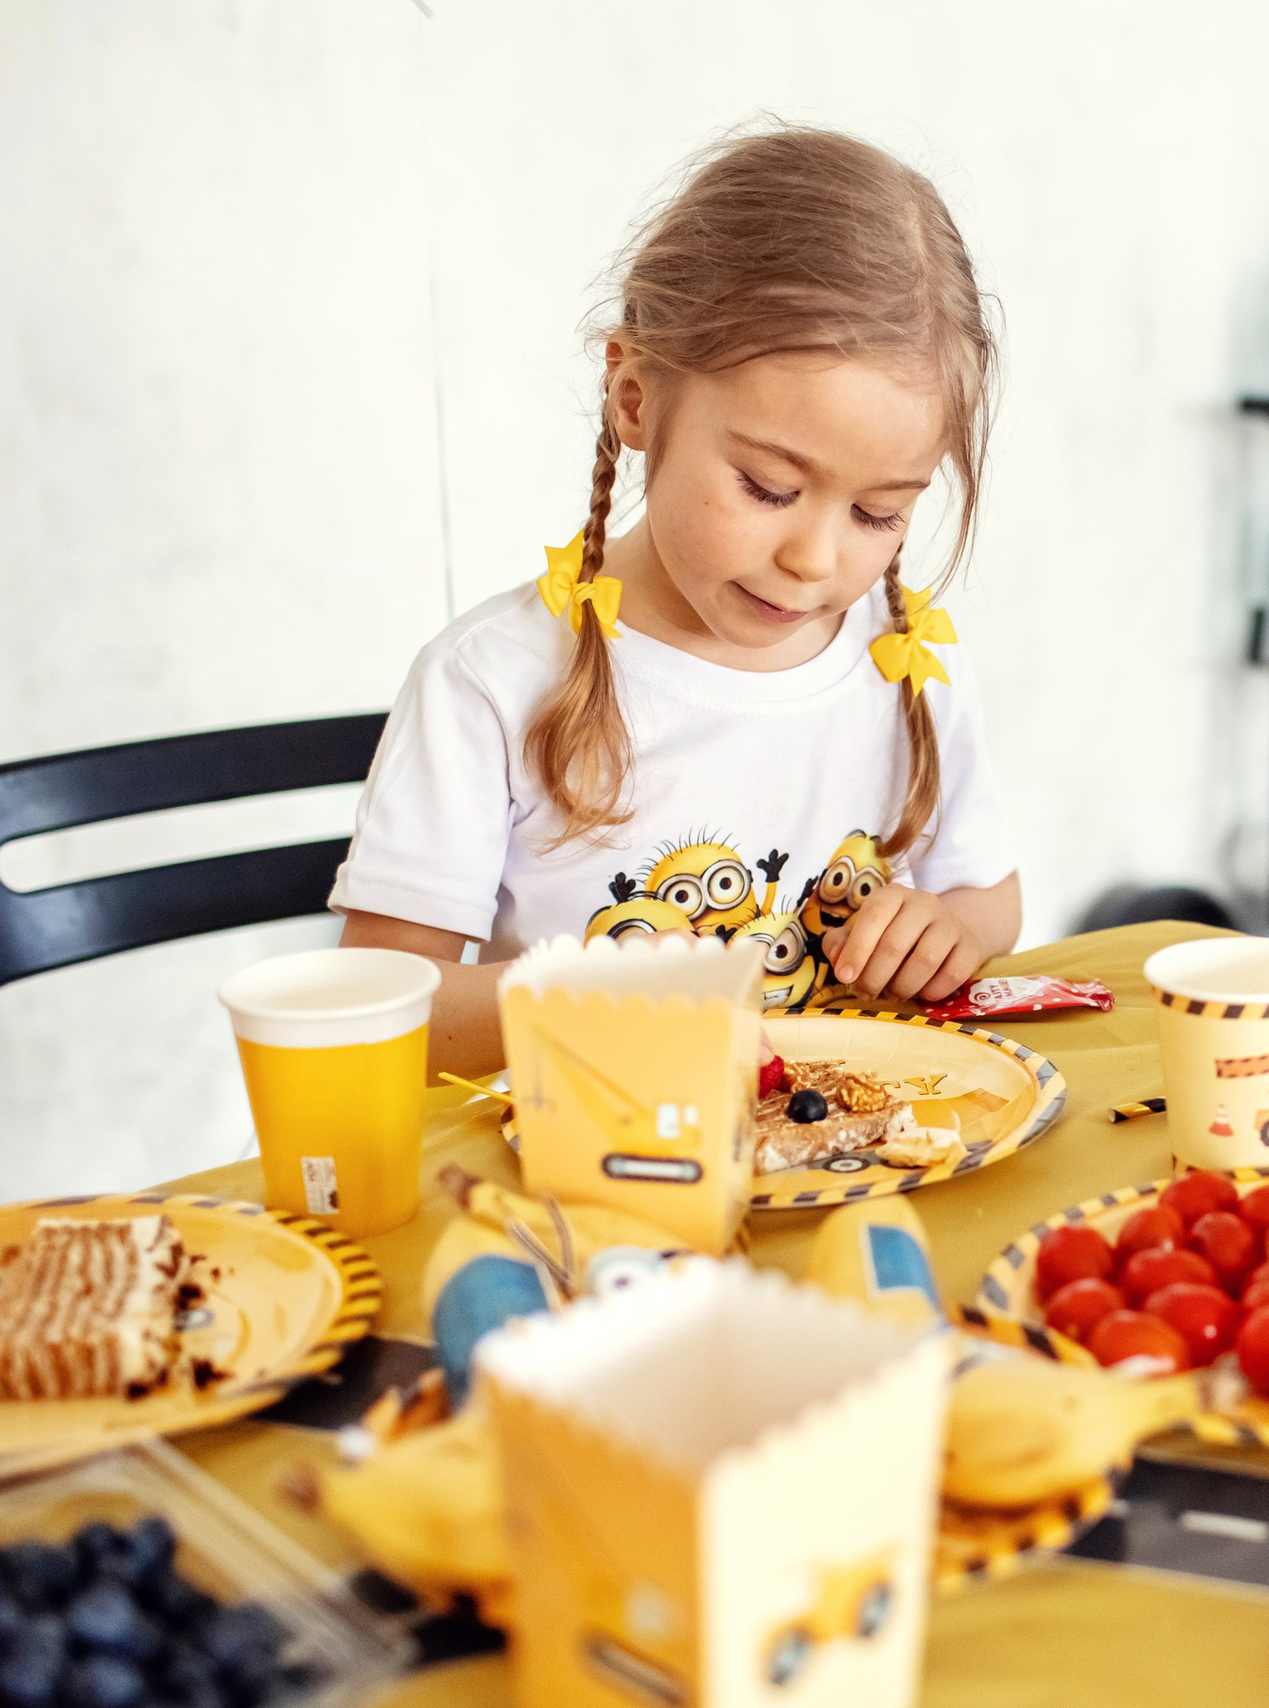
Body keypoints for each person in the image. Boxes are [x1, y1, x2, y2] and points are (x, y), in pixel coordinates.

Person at [331, 130, 1021, 1078]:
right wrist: (585, 998)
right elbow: (375, 1012)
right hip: (597, 1187)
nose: (814, 559)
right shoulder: (491, 684)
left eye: (878, 512)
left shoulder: (903, 661)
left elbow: (989, 895)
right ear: (636, 397)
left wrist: (949, 930)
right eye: (769, 488)